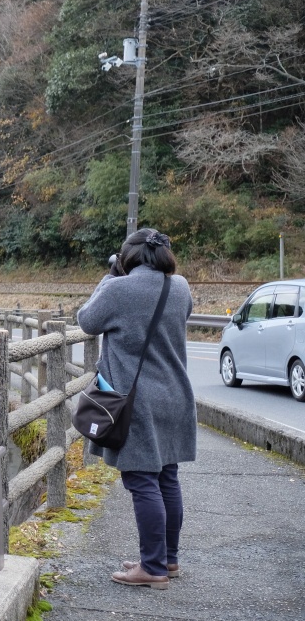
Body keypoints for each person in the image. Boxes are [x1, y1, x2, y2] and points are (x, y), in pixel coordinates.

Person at [77, 228, 197, 590]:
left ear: (128, 257)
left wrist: (108, 278)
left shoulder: (118, 289)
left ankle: (153, 568)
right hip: (176, 396)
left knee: (142, 480)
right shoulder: (181, 288)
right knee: (167, 477)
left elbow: (86, 320)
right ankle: (167, 559)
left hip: (137, 400)